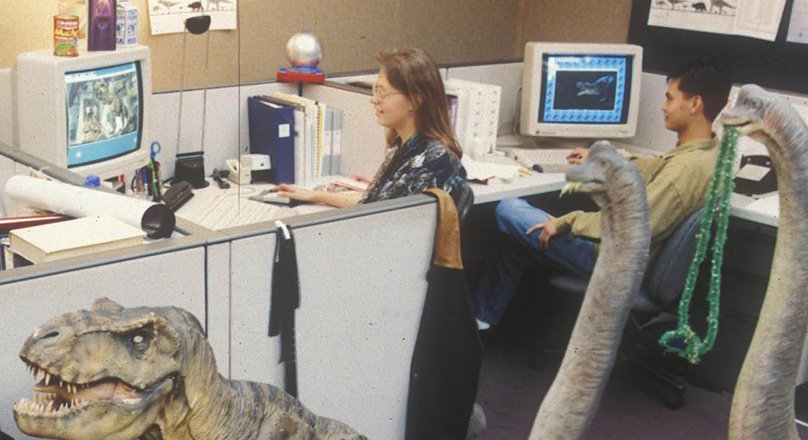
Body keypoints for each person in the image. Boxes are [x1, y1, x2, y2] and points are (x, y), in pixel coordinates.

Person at [472, 58, 731, 329]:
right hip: (639, 259)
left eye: (670, 98)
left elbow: (630, 228)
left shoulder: (684, 170)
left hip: (616, 260)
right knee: (519, 237)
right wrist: (605, 159)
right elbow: (656, 168)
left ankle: (479, 324)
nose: (663, 106)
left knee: (508, 209)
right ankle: (481, 323)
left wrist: (567, 222)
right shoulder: (708, 153)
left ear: (694, 104)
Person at [273, 48, 467, 207]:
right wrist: (314, 196)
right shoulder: (405, 146)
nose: (374, 100)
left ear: (415, 101)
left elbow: (377, 216)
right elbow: (372, 201)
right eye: (376, 90)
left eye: (383, 92)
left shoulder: (430, 163)